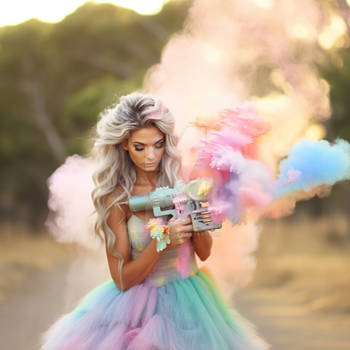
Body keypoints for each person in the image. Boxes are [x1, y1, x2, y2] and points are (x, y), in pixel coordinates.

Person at [41, 92, 268, 349]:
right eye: (141, 147)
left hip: (192, 301)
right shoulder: (117, 200)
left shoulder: (180, 184)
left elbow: (203, 253)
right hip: (136, 310)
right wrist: (163, 243)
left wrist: (196, 224)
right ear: (125, 144)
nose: (151, 155)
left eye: (158, 145)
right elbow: (122, 279)